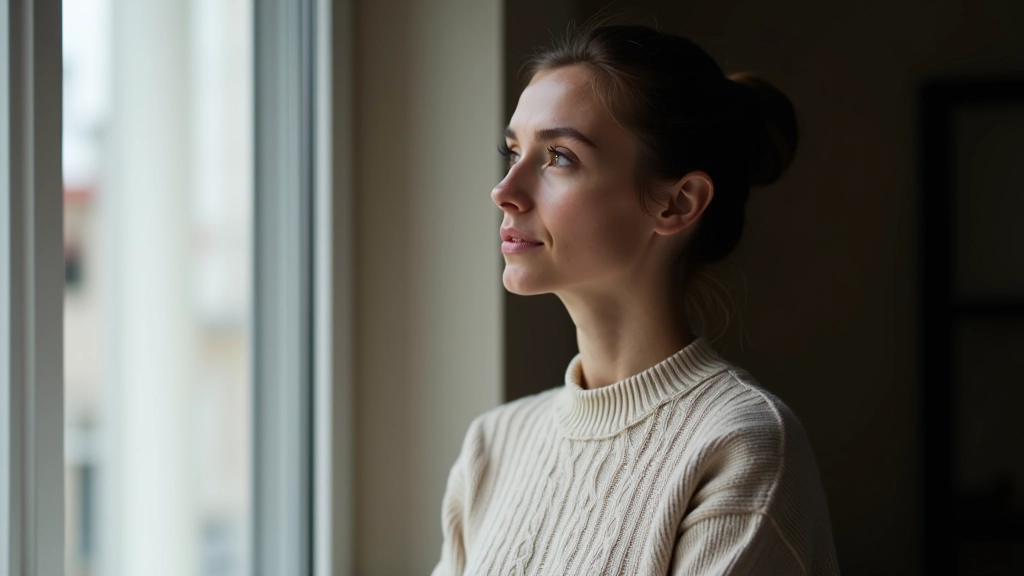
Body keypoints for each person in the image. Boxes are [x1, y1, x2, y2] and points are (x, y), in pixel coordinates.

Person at [431, 21, 840, 576]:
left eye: (559, 157)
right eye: (513, 152)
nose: (504, 191)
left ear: (677, 203)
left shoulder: (738, 447)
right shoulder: (492, 448)